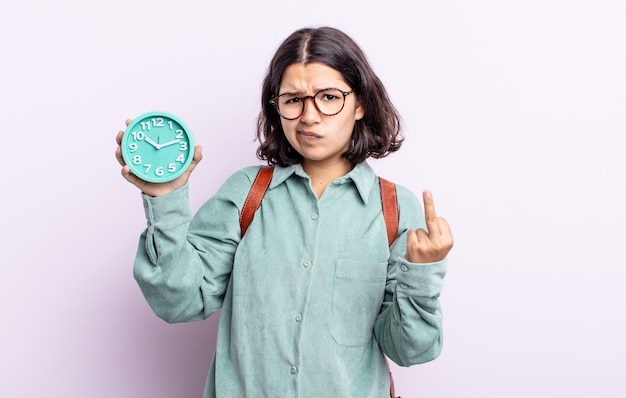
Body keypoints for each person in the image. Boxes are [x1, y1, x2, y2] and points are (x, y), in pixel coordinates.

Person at [115, 26, 453, 398]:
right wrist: (166, 199)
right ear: (277, 108)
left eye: (328, 97)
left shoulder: (397, 210)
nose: (309, 116)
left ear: (360, 104)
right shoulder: (247, 194)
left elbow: (410, 349)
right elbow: (179, 302)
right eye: (293, 100)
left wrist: (422, 274)